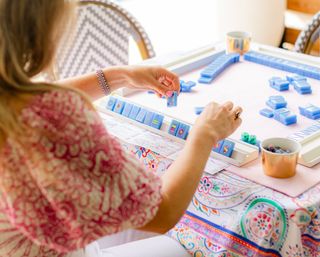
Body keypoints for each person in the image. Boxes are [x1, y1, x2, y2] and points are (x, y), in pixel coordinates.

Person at [0, 1, 242, 256]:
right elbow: (163, 213)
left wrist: (117, 76)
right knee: (178, 247)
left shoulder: (20, 105)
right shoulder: (54, 116)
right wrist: (205, 135)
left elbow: (22, 99)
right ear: (39, 31)